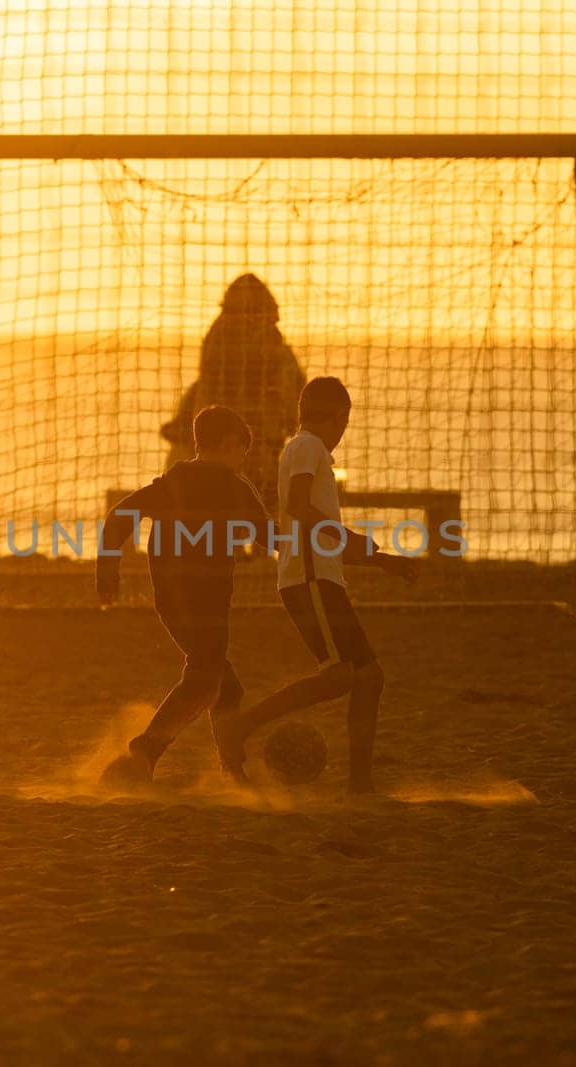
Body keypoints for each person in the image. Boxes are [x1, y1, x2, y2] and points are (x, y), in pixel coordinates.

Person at [213, 377, 416, 794]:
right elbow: (298, 507)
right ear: (341, 417)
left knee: (369, 677)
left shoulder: (308, 448)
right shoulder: (308, 446)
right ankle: (241, 728)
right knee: (341, 676)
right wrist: (352, 540)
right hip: (308, 580)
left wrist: (380, 561)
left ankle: (360, 785)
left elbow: (315, 527)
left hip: (321, 577)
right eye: (346, 420)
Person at [96, 405, 275, 784]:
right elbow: (273, 539)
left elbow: (118, 517)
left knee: (225, 685)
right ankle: (147, 748)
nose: (243, 460)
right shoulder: (234, 487)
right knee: (205, 677)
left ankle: (232, 770)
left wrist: (107, 572)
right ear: (228, 444)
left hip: (170, 602)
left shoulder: (171, 483)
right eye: (241, 451)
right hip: (208, 602)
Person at [162, 275, 305, 508]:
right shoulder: (217, 358)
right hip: (225, 468)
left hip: (254, 463)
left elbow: (287, 415)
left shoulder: (278, 359)